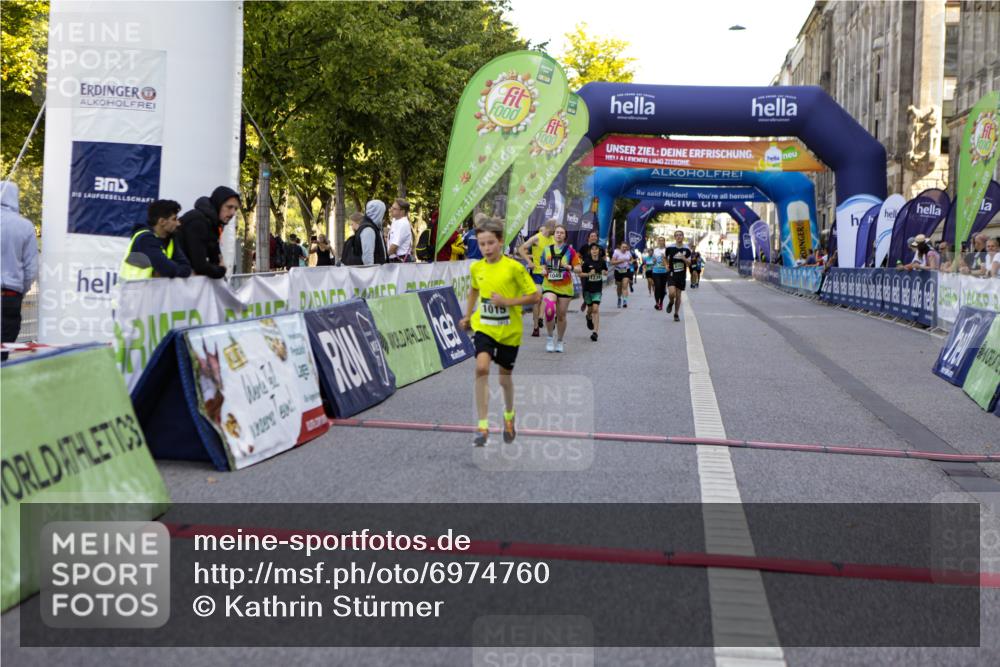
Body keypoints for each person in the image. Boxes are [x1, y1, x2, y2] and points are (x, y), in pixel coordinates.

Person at [459, 218, 540, 447]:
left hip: (509, 331)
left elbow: (535, 296)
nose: (486, 248)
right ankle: (483, 426)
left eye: (490, 243)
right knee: (481, 368)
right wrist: (467, 315)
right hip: (484, 326)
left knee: (505, 379)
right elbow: (474, 289)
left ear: (501, 242)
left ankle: (509, 416)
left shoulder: (514, 268)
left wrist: (508, 301)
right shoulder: (477, 267)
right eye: (482, 244)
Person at [1, 181, 38, 353]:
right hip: (10, 295)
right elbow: (31, 268)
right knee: (3, 349)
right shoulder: (25, 227)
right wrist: (20, 291)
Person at [119, 199, 192, 280]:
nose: (178, 223)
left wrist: (169, 270)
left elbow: (186, 269)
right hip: (132, 290)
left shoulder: (171, 239)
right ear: (162, 221)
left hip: (150, 291)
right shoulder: (145, 239)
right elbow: (168, 270)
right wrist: (171, 269)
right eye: (174, 219)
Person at [176, 185, 240, 279]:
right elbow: (200, 266)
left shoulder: (213, 224)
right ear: (219, 204)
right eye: (229, 207)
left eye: (235, 209)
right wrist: (222, 270)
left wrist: (219, 267)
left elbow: (214, 259)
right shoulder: (198, 221)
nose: (232, 213)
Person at [538, 224, 581, 352]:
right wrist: (543, 271)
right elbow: (543, 266)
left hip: (565, 287)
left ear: (565, 236)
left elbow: (579, 269)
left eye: (562, 233)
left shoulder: (570, 251)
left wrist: (570, 267)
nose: (559, 234)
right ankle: (550, 338)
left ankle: (560, 340)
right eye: (557, 232)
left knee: (561, 315)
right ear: (554, 234)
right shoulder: (546, 250)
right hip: (549, 285)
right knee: (549, 310)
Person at [517, 220, 555, 337]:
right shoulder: (536, 238)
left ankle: (540, 317)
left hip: (550, 273)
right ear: (550, 227)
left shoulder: (555, 239)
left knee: (546, 298)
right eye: (555, 228)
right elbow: (520, 249)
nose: (556, 231)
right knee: (537, 298)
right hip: (537, 272)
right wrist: (529, 261)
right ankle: (536, 327)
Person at [576, 242, 607, 342]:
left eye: (596, 249)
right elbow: (580, 274)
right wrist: (589, 274)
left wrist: (604, 273)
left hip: (597, 289)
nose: (594, 251)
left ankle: (595, 333)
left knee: (595, 309)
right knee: (590, 309)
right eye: (592, 249)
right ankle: (588, 317)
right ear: (590, 251)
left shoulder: (602, 262)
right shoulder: (586, 262)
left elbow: (605, 273)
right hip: (588, 290)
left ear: (599, 251)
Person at [664, 230, 692, 322]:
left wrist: (683, 258)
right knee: (672, 293)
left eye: (680, 235)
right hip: (672, 273)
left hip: (681, 275)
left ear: (683, 237)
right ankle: (671, 302)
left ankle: (676, 314)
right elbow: (664, 258)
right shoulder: (670, 248)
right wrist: (666, 266)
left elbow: (689, 263)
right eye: (677, 235)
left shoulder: (687, 249)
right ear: (674, 237)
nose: (679, 237)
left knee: (678, 295)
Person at [387, 198, 414, 262]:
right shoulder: (395, 220)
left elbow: (394, 247)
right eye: (391, 207)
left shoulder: (402, 224)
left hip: (400, 259)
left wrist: (383, 257)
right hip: (397, 258)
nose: (391, 210)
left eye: (394, 209)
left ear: (402, 211)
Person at [610, 242, 632, 308]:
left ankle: (625, 301)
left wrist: (631, 262)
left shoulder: (628, 253)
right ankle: (619, 298)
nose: (624, 248)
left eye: (626, 247)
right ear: (620, 247)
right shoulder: (616, 252)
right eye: (623, 247)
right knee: (619, 287)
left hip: (626, 270)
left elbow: (631, 259)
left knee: (625, 285)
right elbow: (612, 262)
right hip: (618, 271)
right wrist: (620, 261)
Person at [650, 237, 669, 310]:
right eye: (659, 240)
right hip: (656, 271)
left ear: (664, 242)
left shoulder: (667, 250)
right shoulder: (655, 250)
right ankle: (657, 303)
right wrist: (654, 260)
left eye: (662, 240)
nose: (661, 242)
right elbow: (653, 261)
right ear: (658, 242)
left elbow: (668, 261)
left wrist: (665, 259)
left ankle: (661, 302)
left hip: (664, 272)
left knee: (662, 289)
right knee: (657, 287)